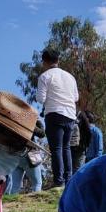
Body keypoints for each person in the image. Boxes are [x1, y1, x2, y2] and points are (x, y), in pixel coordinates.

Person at [36, 48, 79, 188]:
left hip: (54, 113)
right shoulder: (70, 77)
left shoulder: (45, 76)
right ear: (58, 60)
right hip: (70, 115)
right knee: (66, 148)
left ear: (44, 62)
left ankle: (58, 181)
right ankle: (69, 180)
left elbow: (41, 99)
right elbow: (76, 97)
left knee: (56, 149)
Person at [6, 120, 46, 194]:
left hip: (15, 155)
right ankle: (36, 204)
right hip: (29, 155)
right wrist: (38, 122)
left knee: (15, 185)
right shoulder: (29, 121)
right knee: (37, 183)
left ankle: (12, 203)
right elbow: (42, 134)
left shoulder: (13, 120)